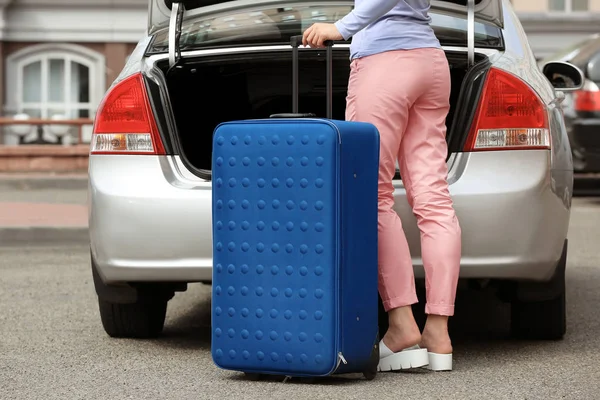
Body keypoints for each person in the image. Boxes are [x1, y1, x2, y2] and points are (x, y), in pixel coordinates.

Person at [302, 0, 462, 372]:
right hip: (430, 61)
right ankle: (438, 333)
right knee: (434, 200)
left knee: (371, 195)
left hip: (385, 63)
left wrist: (342, 27)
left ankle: (403, 326)